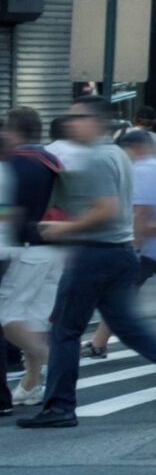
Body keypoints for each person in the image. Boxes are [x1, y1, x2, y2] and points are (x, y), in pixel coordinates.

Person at [19, 96, 156, 427]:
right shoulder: (117, 155)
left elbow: (106, 209)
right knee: (129, 328)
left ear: (95, 121)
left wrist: (61, 228)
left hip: (93, 253)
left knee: (65, 331)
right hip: (120, 252)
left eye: (77, 118)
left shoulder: (97, 158)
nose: (70, 124)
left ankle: (59, 406)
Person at [85, 130, 156, 359]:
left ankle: (99, 343)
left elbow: (142, 212)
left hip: (149, 246)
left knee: (117, 294)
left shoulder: (142, 170)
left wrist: (134, 244)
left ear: (134, 148)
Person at [2, 108, 63, 408]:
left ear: (13, 132)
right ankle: (30, 385)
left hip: (23, 248)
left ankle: (59, 366)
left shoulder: (13, 164)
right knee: (35, 320)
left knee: (8, 319)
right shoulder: (50, 160)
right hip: (54, 246)